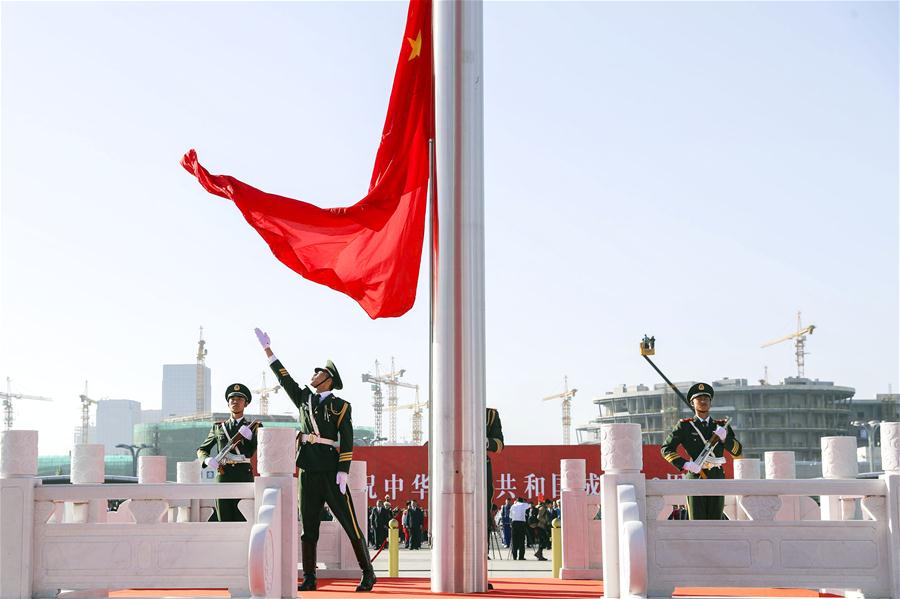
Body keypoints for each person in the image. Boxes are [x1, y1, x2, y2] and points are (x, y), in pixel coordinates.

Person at [255, 328, 375, 592]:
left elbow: (347, 439)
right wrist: (268, 351)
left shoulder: (341, 406)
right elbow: (285, 379)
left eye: (319, 371)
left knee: (350, 524)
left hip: (331, 470)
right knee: (308, 527)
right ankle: (310, 577)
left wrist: (343, 470)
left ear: (328, 380)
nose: (314, 373)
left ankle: (368, 572)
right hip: (308, 469)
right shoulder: (304, 399)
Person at [660, 382, 743, 520]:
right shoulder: (685, 426)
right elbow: (666, 449)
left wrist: (725, 439)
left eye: (706, 398)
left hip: (716, 476)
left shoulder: (721, 426)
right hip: (696, 476)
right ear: (692, 403)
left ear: (710, 402)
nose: (703, 401)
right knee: (697, 520)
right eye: (699, 398)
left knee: (716, 519)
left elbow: (737, 451)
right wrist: (686, 464)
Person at [196, 383, 261, 522]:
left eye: (240, 399)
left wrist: (251, 437)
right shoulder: (219, 427)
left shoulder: (254, 426)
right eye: (232, 399)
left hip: (243, 475)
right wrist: (207, 460)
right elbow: (202, 449)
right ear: (228, 403)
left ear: (246, 404)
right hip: (223, 474)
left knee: (243, 517)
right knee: (223, 518)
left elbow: (260, 448)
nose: (235, 402)